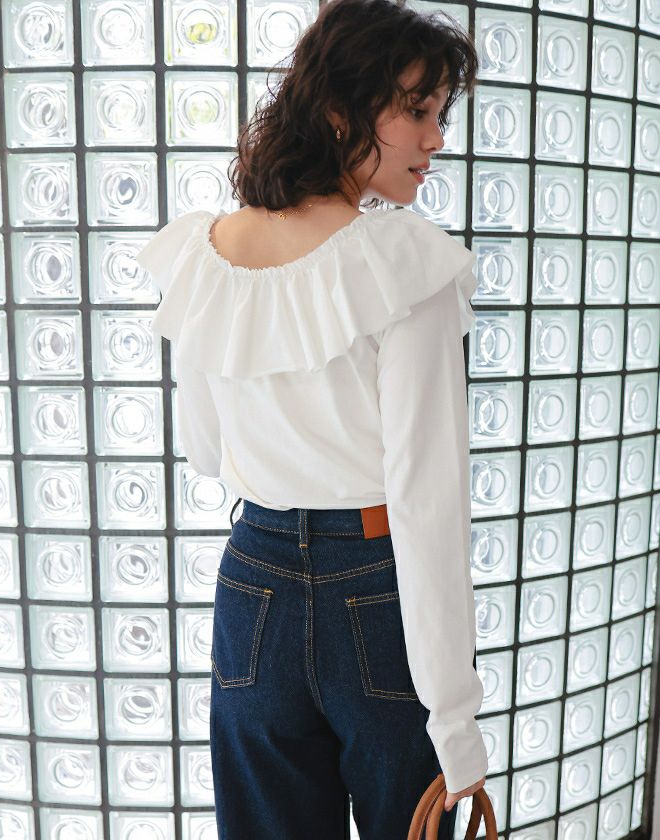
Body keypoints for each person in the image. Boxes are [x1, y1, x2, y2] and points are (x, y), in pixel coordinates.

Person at [136, 0, 488, 836]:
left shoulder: (203, 254)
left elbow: (206, 449)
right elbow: (427, 504)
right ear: (340, 110)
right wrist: (457, 727)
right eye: (417, 111)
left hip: (251, 579)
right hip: (376, 583)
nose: (436, 139)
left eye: (441, 114)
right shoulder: (405, 264)